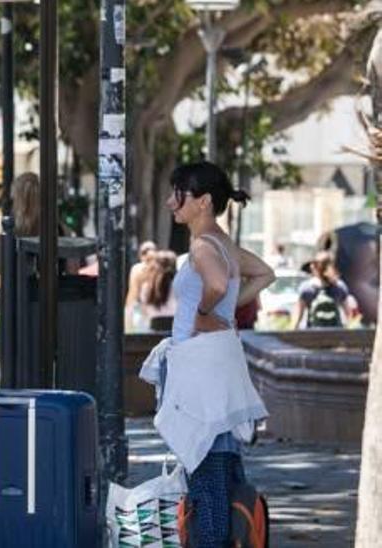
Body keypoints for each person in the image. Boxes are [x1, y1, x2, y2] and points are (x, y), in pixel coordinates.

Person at [163, 161, 274, 547]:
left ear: (204, 201)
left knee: (206, 469)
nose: (170, 202)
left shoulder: (201, 245)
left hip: (199, 368)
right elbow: (264, 273)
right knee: (222, 465)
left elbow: (214, 282)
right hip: (216, 363)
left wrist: (205, 314)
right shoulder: (222, 242)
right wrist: (224, 310)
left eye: (179, 194)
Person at [294, 251, 357, 328]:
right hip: (335, 335)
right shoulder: (340, 286)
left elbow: (297, 319)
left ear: (314, 267)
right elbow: (349, 316)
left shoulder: (306, 288)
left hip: (313, 335)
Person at [140, 251, 178, 332]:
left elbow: (145, 311)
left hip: (154, 329)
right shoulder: (179, 285)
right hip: (175, 328)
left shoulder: (146, 287)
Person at [125, 241, 159, 329]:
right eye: (145, 252)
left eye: (152, 250)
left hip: (158, 311)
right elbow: (133, 294)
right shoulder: (137, 269)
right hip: (142, 312)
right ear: (141, 256)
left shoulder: (161, 269)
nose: (149, 252)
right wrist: (128, 318)